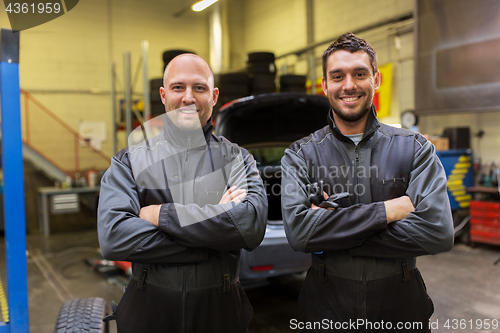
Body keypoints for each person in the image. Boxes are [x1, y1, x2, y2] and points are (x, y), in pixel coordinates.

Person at [281, 32, 454, 332]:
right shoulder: (300, 154)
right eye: (337, 76)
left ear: (376, 79)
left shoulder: (415, 148)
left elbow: (437, 233)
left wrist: (332, 232)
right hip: (326, 311)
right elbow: (299, 234)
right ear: (325, 85)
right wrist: (386, 212)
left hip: (402, 311)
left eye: (360, 73)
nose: (349, 85)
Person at [98, 54, 268, 333]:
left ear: (214, 96)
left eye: (199, 88)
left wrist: (159, 214)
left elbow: (250, 227)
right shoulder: (129, 161)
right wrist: (214, 234)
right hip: (148, 313)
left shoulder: (238, 159)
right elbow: (114, 238)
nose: (188, 97)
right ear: (164, 96)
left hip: (221, 315)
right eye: (178, 87)